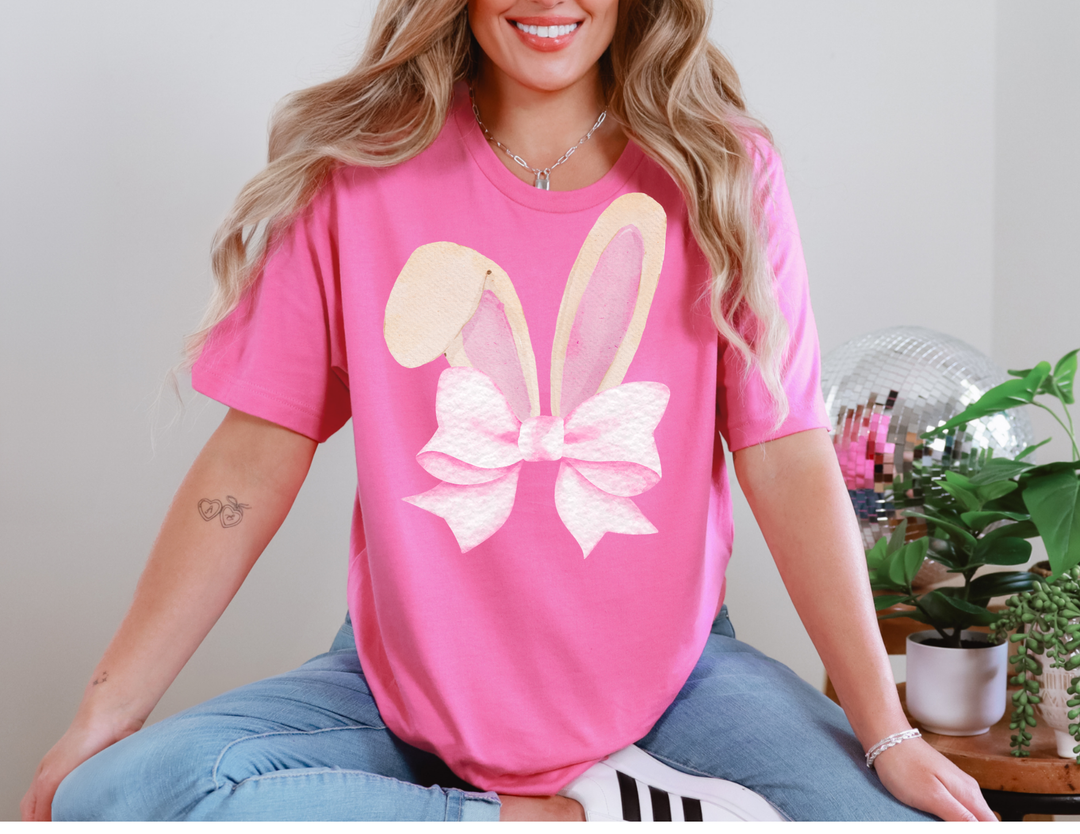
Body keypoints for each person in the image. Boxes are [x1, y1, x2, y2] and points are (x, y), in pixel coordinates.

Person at [22, 0, 995, 822]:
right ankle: (550, 817)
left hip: (675, 677)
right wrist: (108, 711)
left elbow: (783, 452)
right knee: (116, 795)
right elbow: (251, 460)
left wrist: (888, 730)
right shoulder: (357, 176)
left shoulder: (722, 173)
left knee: (875, 822)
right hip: (409, 680)